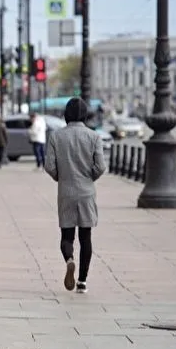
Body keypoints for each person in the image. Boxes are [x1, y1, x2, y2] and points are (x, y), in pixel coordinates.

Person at [44, 97, 107, 294]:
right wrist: (90, 178)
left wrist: (60, 178)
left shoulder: (56, 136)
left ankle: (69, 259)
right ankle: (82, 281)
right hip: (87, 192)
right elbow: (101, 167)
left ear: (66, 115)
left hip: (66, 191)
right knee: (86, 237)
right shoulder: (94, 137)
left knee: (67, 235)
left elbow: (49, 166)